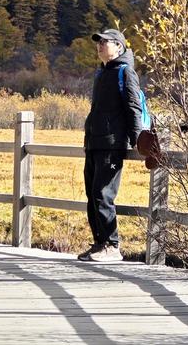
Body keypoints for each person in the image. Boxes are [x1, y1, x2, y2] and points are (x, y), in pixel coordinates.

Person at [78, 27, 142, 262]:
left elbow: (133, 107)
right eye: (98, 42)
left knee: (102, 194)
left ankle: (112, 245)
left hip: (111, 144)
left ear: (118, 46)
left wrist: (137, 140)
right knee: (92, 195)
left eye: (105, 42)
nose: (100, 45)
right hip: (94, 143)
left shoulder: (125, 72)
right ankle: (99, 244)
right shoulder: (102, 73)